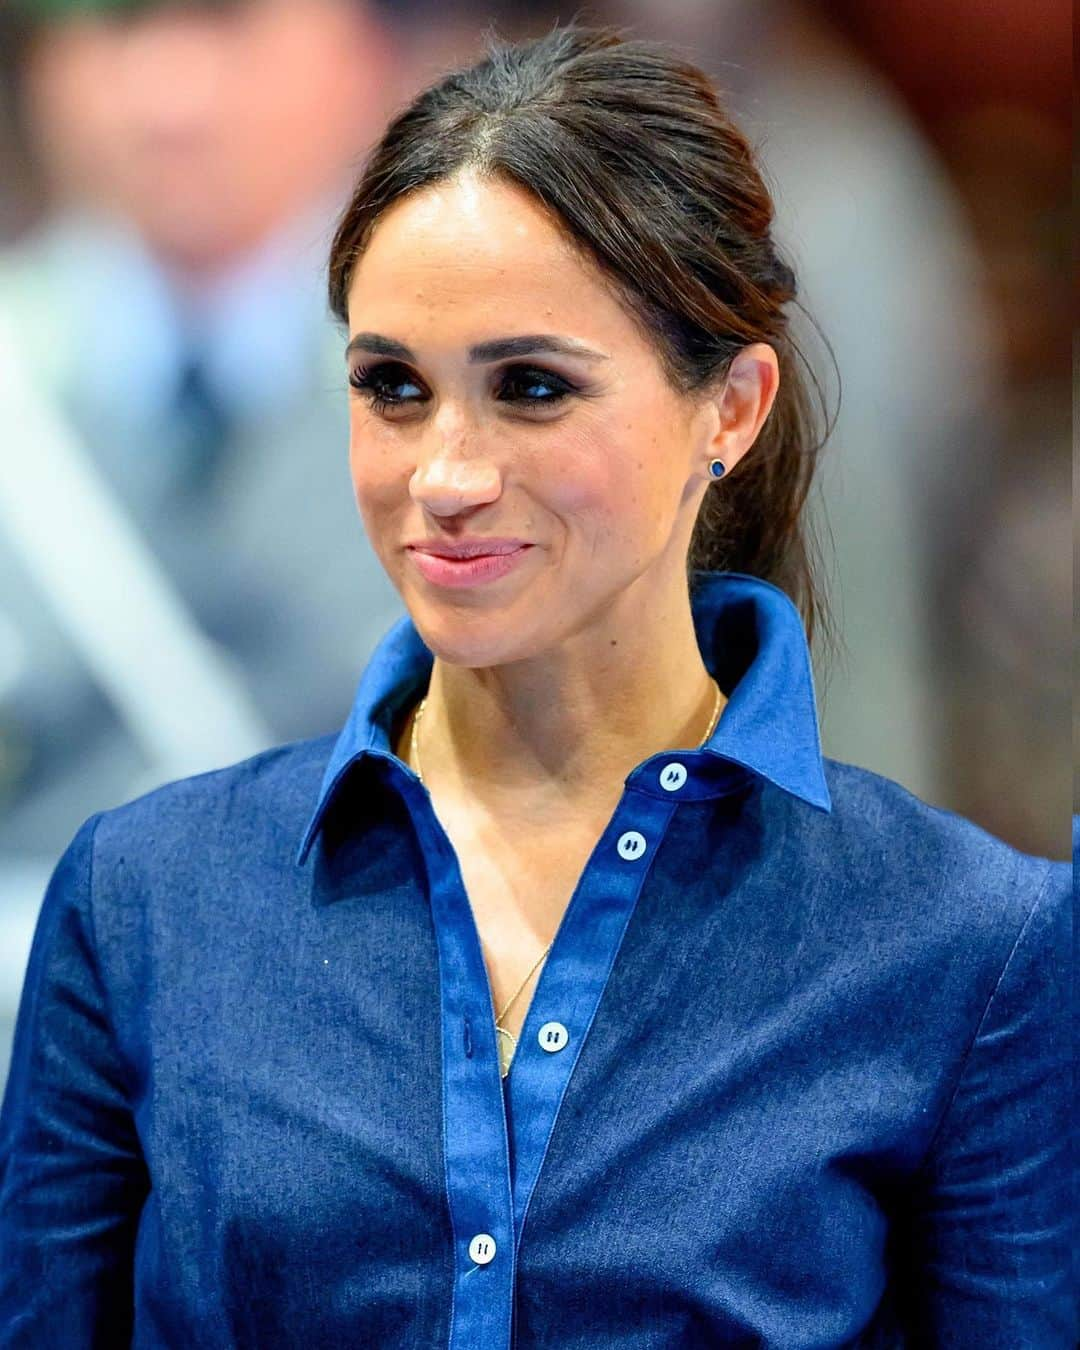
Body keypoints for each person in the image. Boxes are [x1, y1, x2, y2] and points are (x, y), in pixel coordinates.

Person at [0, 21, 1072, 1348]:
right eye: (392, 386)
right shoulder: (142, 901)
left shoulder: (970, 948)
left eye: (531, 387)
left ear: (729, 408)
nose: (443, 474)